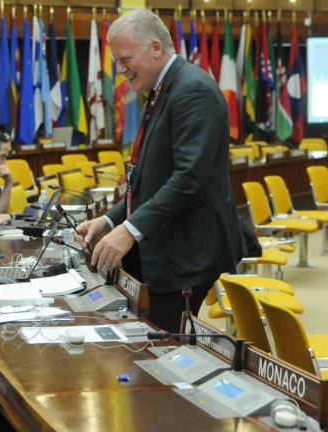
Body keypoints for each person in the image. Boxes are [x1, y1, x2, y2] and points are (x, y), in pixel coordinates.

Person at [75, 9, 244, 333]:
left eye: (125, 58)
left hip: (185, 254)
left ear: (155, 47)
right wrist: (110, 220)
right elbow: (148, 180)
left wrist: (129, 230)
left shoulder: (193, 90)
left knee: (166, 350)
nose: (119, 68)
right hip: (163, 249)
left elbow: (188, 180)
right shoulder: (162, 88)